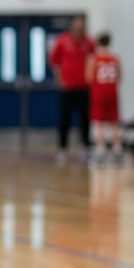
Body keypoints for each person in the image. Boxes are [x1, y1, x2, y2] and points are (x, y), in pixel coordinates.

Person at [48, 17, 95, 162]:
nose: (78, 32)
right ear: (71, 28)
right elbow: (54, 62)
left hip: (84, 87)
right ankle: (63, 148)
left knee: (85, 119)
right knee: (65, 119)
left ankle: (85, 147)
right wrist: (59, 80)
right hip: (67, 88)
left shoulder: (89, 42)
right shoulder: (62, 41)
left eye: (81, 29)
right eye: (76, 28)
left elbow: (94, 61)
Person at [86, 33, 123, 163]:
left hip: (99, 92)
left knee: (99, 122)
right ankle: (117, 149)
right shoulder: (114, 58)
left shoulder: (94, 59)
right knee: (114, 121)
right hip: (112, 91)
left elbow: (89, 77)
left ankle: (100, 150)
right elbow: (120, 76)